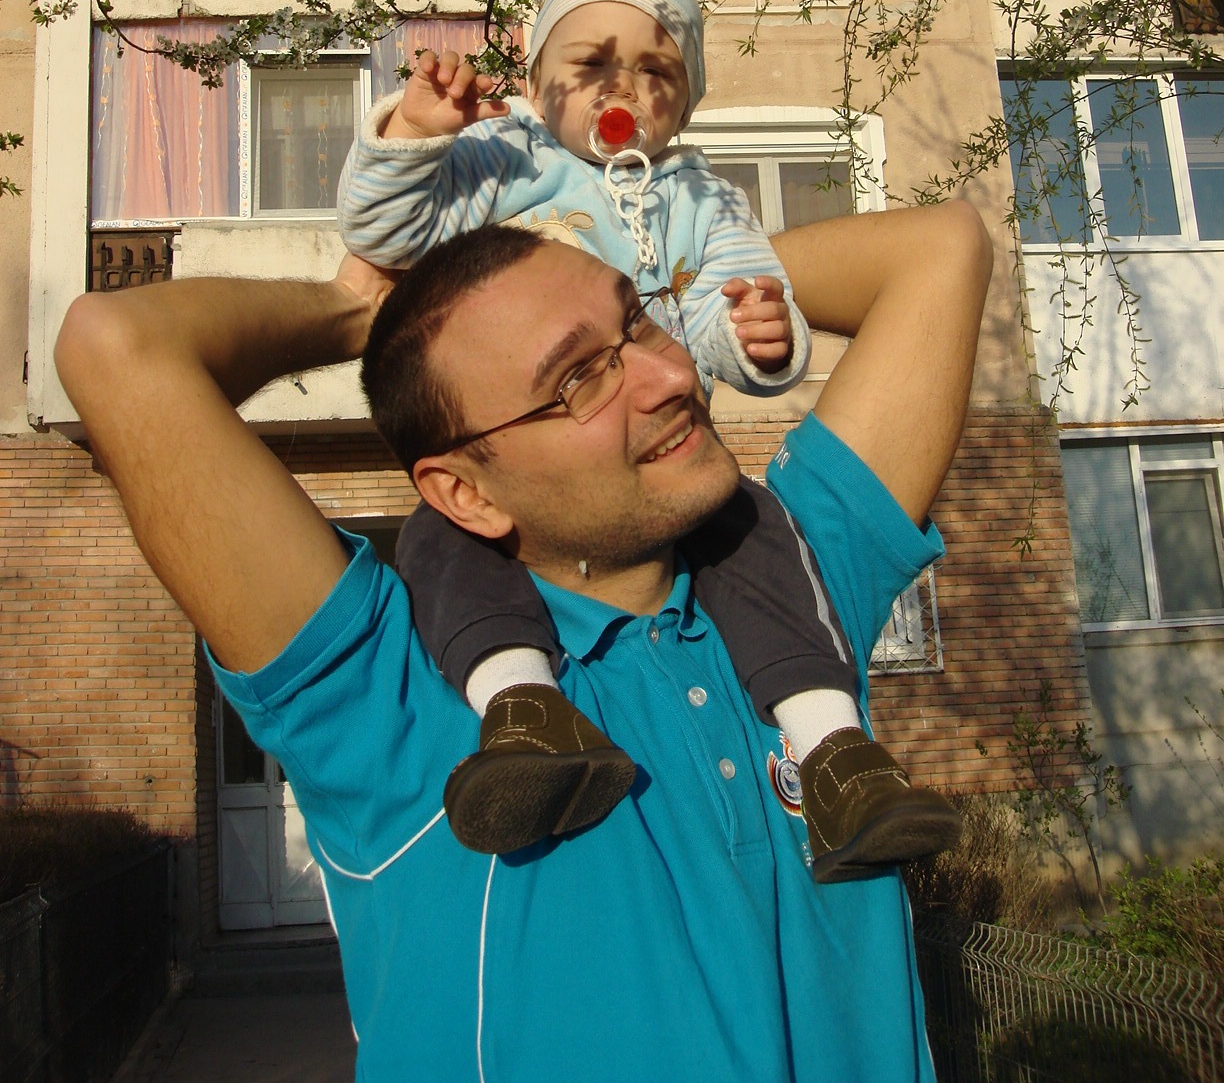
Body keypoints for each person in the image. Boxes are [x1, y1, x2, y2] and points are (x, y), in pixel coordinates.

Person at [55, 199, 992, 1082]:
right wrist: (355, 311)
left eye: (639, 323)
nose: (672, 377)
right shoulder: (392, 694)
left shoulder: (791, 589)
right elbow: (117, 346)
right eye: (578, 380)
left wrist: (686, 282)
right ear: (466, 493)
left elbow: (940, 247)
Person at [336, 0, 960, 869]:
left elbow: (726, 302)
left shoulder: (703, 198)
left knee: (756, 534)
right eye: (590, 65)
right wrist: (416, 135)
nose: (622, 88)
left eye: (657, 72)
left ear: (687, 100)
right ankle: (521, 706)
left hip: (665, 454)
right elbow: (383, 231)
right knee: (443, 541)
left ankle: (835, 754)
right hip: (532, 461)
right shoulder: (501, 159)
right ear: (535, 77)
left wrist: (757, 334)